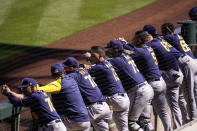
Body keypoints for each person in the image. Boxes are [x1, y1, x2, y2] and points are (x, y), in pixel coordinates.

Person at [114, 30, 173, 131]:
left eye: (134, 38)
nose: (132, 40)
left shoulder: (140, 51)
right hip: (160, 82)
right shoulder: (148, 48)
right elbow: (133, 50)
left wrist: (122, 44)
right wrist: (125, 44)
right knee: (163, 111)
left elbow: (127, 55)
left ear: (139, 40)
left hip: (151, 86)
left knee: (144, 119)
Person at [105, 42, 154, 131]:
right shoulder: (126, 56)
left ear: (116, 49)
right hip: (147, 88)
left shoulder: (115, 61)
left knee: (131, 122)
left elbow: (103, 66)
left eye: (110, 49)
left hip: (139, 91)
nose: (108, 51)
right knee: (145, 121)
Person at [143, 25, 185, 129]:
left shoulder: (151, 45)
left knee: (171, 106)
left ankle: (178, 127)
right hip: (178, 73)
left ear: (149, 35)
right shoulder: (160, 40)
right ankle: (185, 123)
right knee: (179, 101)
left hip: (171, 76)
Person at [85, 46, 130, 131]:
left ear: (101, 55)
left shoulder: (100, 68)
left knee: (95, 113)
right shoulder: (107, 63)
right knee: (124, 128)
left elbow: (83, 73)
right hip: (124, 99)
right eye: (91, 56)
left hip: (114, 101)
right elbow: (94, 65)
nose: (91, 57)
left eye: (93, 56)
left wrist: (82, 66)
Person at [62, 57, 112, 131]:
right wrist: (82, 66)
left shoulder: (73, 76)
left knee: (72, 124)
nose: (64, 69)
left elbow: (62, 81)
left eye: (65, 67)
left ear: (71, 68)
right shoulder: (83, 71)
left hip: (94, 109)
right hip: (104, 106)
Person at [37, 63, 91, 131]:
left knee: (51, 125)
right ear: (64, 71)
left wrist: (36, 87)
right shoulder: (71, 78)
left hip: (74, 121)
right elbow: (78, 72)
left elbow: (39, 90)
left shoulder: (57, 84)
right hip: (86, 120)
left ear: (52, 75)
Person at [162, 22, 197, 122]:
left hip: (187, 64)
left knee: (189, 95)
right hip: (193, 61)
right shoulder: (177, 36)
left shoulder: (168, 37)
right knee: (195, 92)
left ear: (166, 31)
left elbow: (159, 41)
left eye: (163, 30)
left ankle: (193, 120)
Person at [1, 78, 67, 131]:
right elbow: (23, 96)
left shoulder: (35, 97)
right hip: (54, 125)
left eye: (25, 88)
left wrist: (8, 94)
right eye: (22, 88)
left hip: (53, 127)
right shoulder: (40, 93)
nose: (23, 90)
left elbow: (17, 102)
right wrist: (11, 92)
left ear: (32, 87)